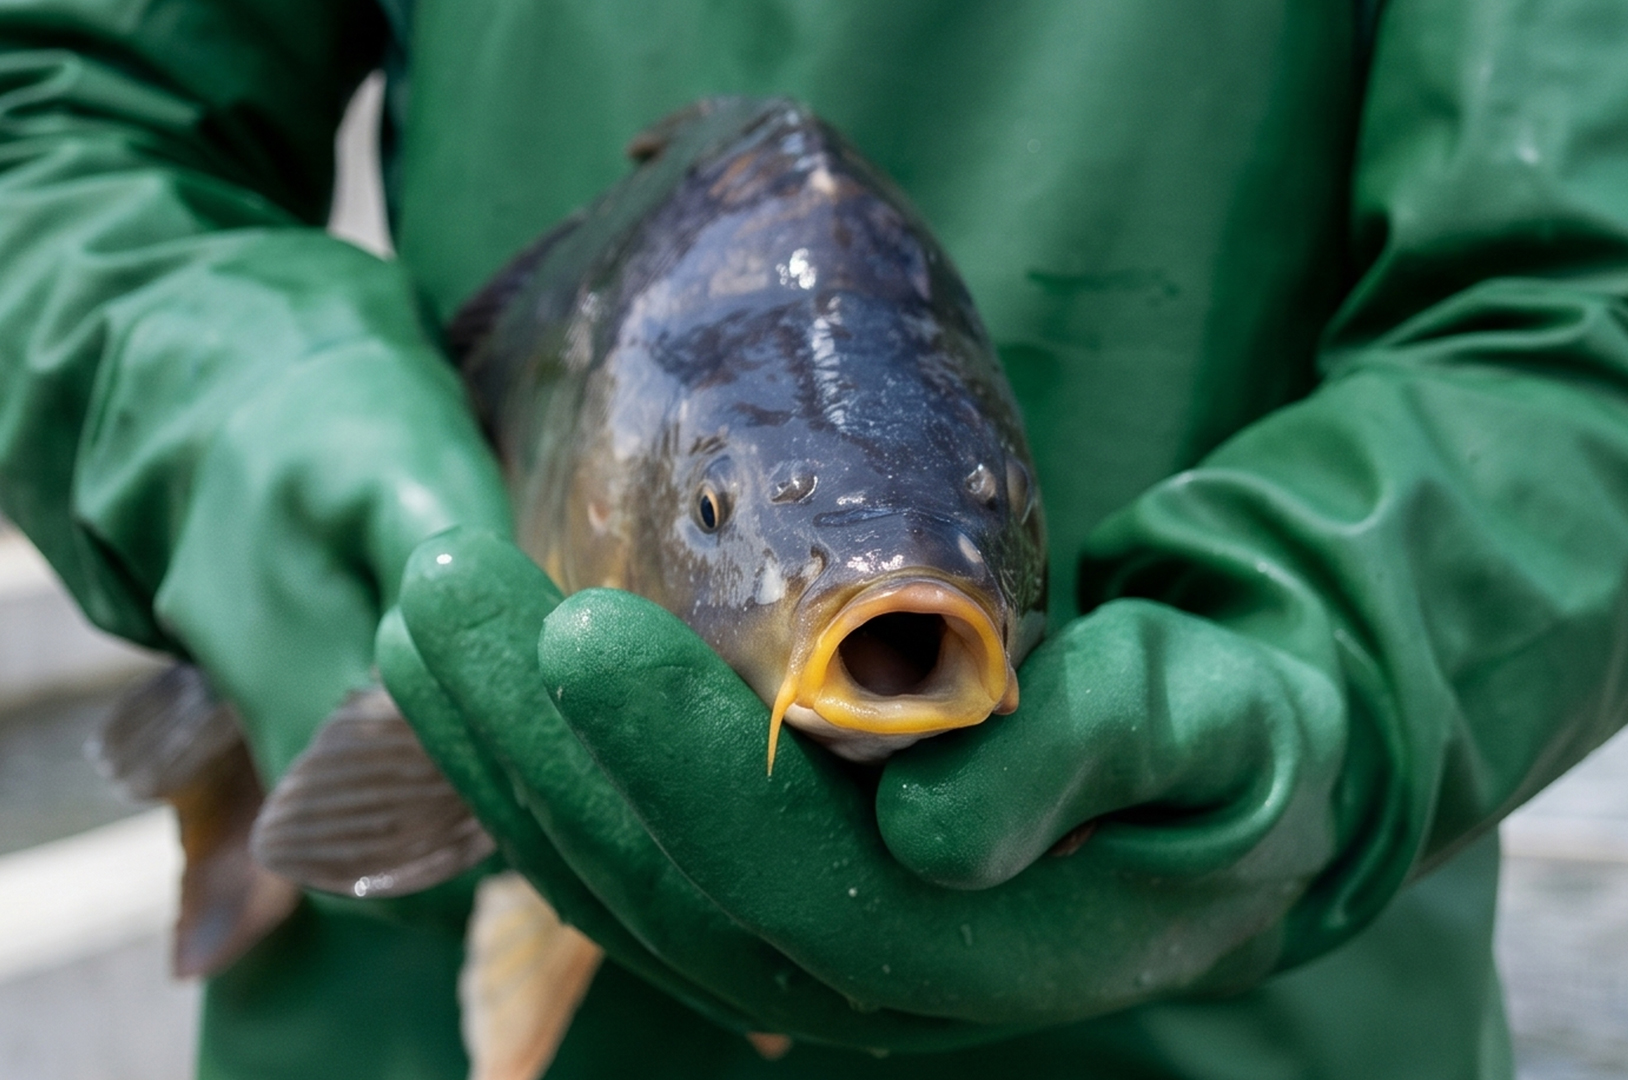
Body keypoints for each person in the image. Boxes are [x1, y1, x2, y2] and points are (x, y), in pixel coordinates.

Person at [2, 0, 1625, 1077]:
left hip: (1241, 1015)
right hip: (401, 1022)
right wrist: (254, 451)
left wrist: (1325, 682)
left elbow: (1582, 301)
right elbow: (59, 110)